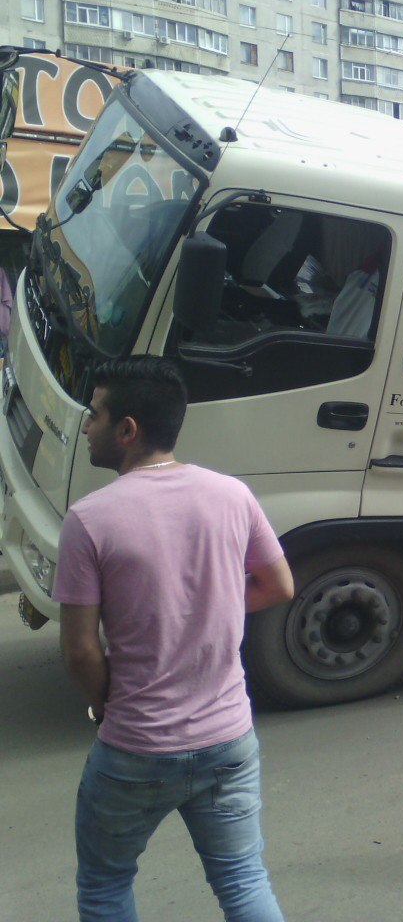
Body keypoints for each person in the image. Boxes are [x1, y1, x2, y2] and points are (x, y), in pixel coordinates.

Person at [56, 356, 295, 922]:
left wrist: (103, 701)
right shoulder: (232, 494)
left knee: (106, 884)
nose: (86, 426)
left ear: (128, 429)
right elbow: (278, 584)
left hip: (136, 750)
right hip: (229, 740)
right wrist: (207, 611)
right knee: (242, 879)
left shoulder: (89, 520)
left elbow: (81, 650)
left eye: (94, 414)